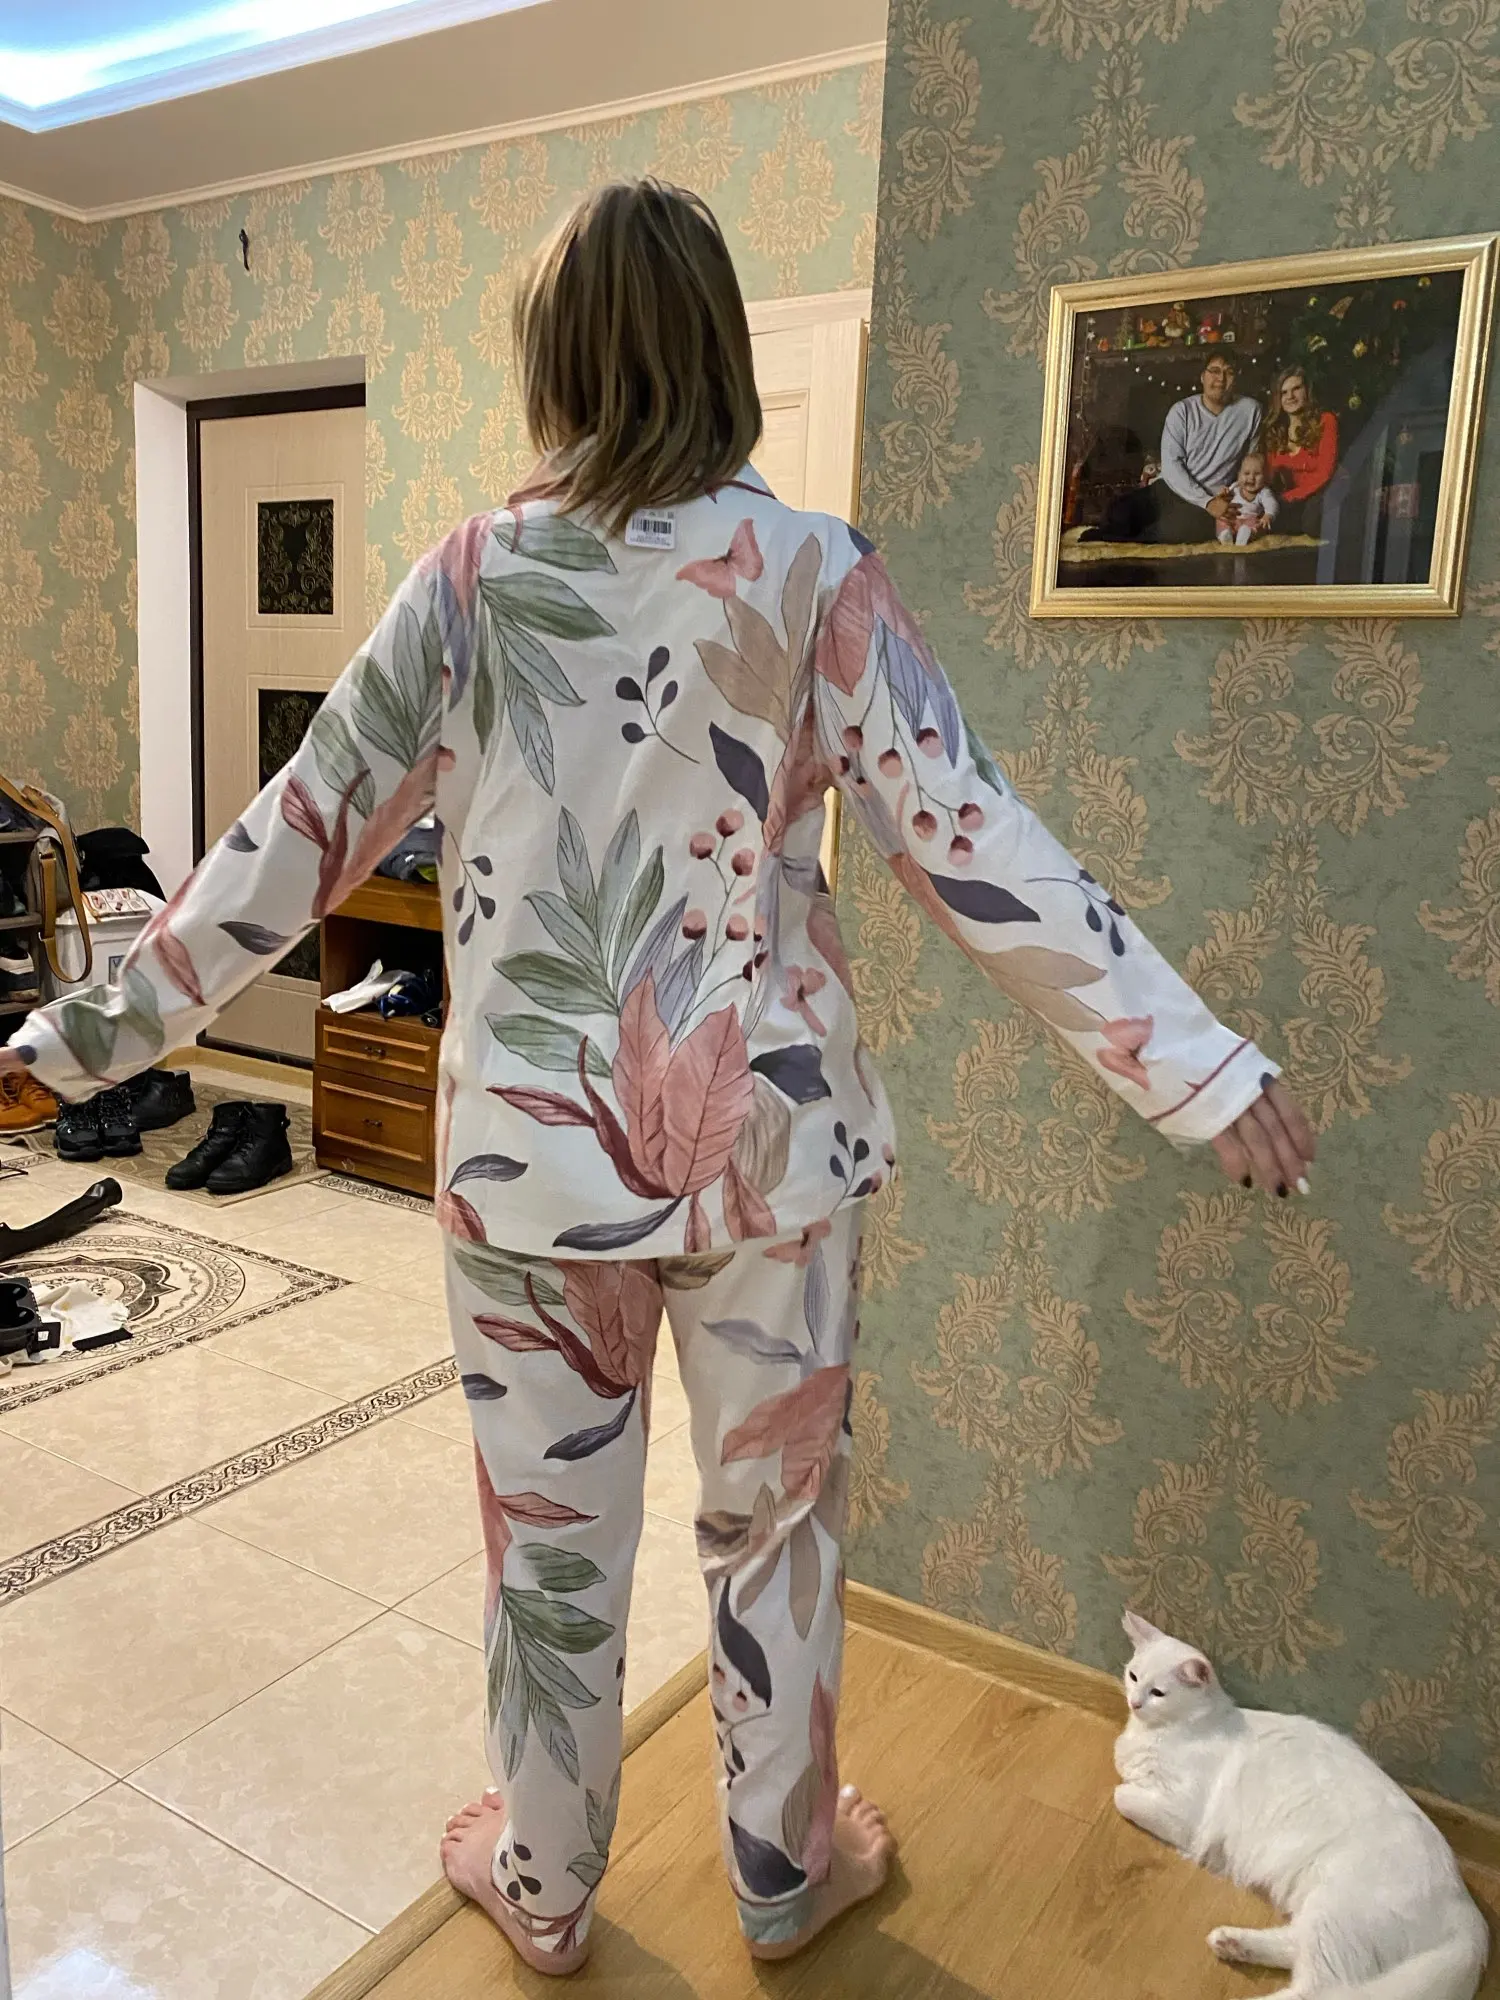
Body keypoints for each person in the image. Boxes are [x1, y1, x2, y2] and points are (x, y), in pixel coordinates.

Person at [0, 180, 1315, 1977]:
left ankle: (542, 1891)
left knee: (550, 1553)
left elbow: (290, 843)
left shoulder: (471, 579)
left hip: (535, 1168)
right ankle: (784, 1877)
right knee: (778, 1532)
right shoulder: (816, 571)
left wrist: (68, 1043)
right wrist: (1201, 1069)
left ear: (551, 363)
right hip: (773, 1161)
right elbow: (971, 840)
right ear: (721, 355)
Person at [1084, 352, 1262, 544]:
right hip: (1172, 488)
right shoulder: (1182, 411)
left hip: (1216, 496)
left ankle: (1123, 539)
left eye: (1229, 372)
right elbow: (1171, 466)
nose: (1221, 378)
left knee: (1170, 531)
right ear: (1203, 377)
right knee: (1118, 511)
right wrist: (1207, 502)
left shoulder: (1251, 411)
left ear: (1236, 379)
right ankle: (1110, 535)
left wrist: (1229, 497)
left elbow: (1251, 462)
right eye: (1215, 371)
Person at [1262, 365, 1338, 534]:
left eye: (1296, 389)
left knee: (1312, 521)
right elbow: (1268, 476)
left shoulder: (1325, 420)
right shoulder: (1276, 430)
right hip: (1292, 500)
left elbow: (1325, 474)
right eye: (1284, 392)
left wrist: (1289, 497)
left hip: (1322, 492)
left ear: (1307, 391)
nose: (1290, 397)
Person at [1216, 450, 1280, 546]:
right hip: (1233, 520)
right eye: (1246, 473)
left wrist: (1268, 515)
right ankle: (1225, 535)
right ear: (1239, 476)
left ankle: (1245, 535)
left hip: (1250, 520)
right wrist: (1222, 494)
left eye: (1257, 474)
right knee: (1222, 519)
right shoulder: (1235, 487)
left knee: (1258, 525)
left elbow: (1272, 504)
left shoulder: (1263, 492)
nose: (1251, 478)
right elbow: (1223, 499)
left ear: (1265, 477)